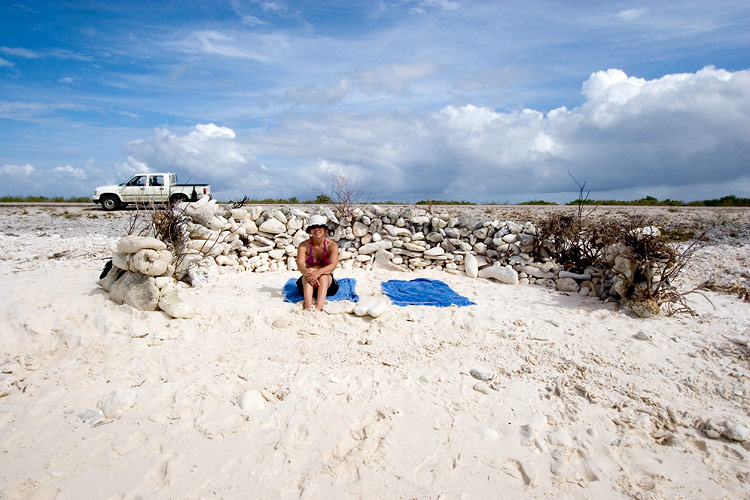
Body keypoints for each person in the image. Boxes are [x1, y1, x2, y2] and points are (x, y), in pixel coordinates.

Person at [296, 214, 339, 311]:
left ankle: (319, 307)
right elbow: (300, 264)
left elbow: (333, 265)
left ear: (325, 229)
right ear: (310, 230)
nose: (317, 229)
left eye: (320, 226)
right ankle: (308, 306)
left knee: (324, 275)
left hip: (327, 286)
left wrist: (318, 272)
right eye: (313, 227)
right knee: (308, 273)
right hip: (307, 284)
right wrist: (310, 274)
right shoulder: (303, 246)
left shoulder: (332, 246)